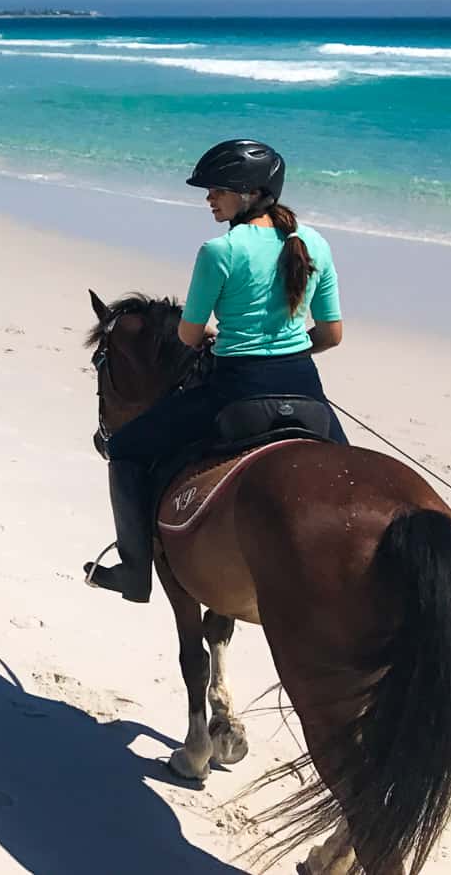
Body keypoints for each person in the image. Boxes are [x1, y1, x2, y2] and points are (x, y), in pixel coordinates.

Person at [87, 139, 346, 603]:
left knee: (124, 449)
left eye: (217, 189)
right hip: (309, 399)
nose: (209, 198)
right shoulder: (317, 244)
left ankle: (133, 572)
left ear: (250, 192)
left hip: (235, 396)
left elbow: (188, 337)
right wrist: (284, 351)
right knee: (351, 478)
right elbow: (331, 335)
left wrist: (226, 339)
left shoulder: (219, 251)